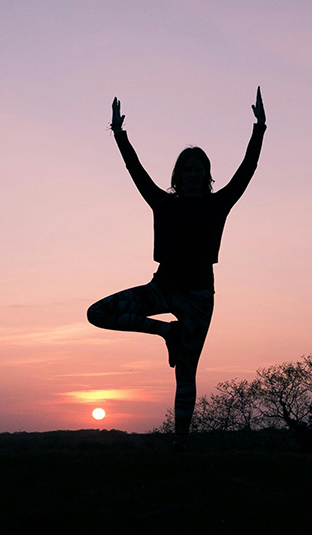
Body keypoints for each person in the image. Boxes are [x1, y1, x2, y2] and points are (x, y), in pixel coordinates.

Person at [87, 88, 267, 449]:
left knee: (186, 373)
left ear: (206, 174)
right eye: (187, 170)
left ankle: (180, 445)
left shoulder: (219, 204)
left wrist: (259, 127)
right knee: (98, 313)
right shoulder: (162, 203)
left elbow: (247, 170)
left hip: (199, 297)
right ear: (179, 174)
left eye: (198, 169)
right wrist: (119, 134)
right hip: (162, 288)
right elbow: (135, 171)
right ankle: (165, 333)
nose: (193, 175)